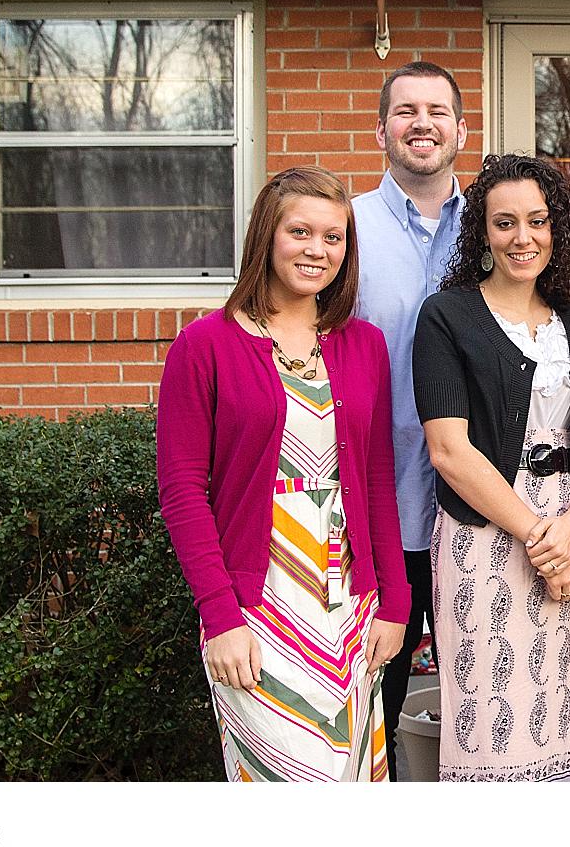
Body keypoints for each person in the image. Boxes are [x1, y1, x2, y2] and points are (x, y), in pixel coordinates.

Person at [158, 165, 409, 781]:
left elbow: (378, 482)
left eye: (333, 237)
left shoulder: (363, 345)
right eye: (300, 232)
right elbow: (183, 493)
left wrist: (395, 603)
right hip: (257, 607)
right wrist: (220, 617)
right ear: (267, 236)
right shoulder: (204, 346)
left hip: (351, 603)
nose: (317, 250)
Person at [412, 154, 570, 781]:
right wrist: (540, 539)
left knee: (566, 710)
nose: (523, 238)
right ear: (483, 232)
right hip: (485, 538)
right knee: (491, 713)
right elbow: (449, 450)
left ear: (557, 229)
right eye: (505, 223)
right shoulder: (446, 316)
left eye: (537, 221)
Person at [352, 61, 468, 761]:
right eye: (405, 111)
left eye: (436, 111)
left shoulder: (496, 228)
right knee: (371, 699)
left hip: (476, 510)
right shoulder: (344, 229)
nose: (421, 124)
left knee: (480, 699)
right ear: (380, 131)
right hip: (375, 508)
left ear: (461, 129)